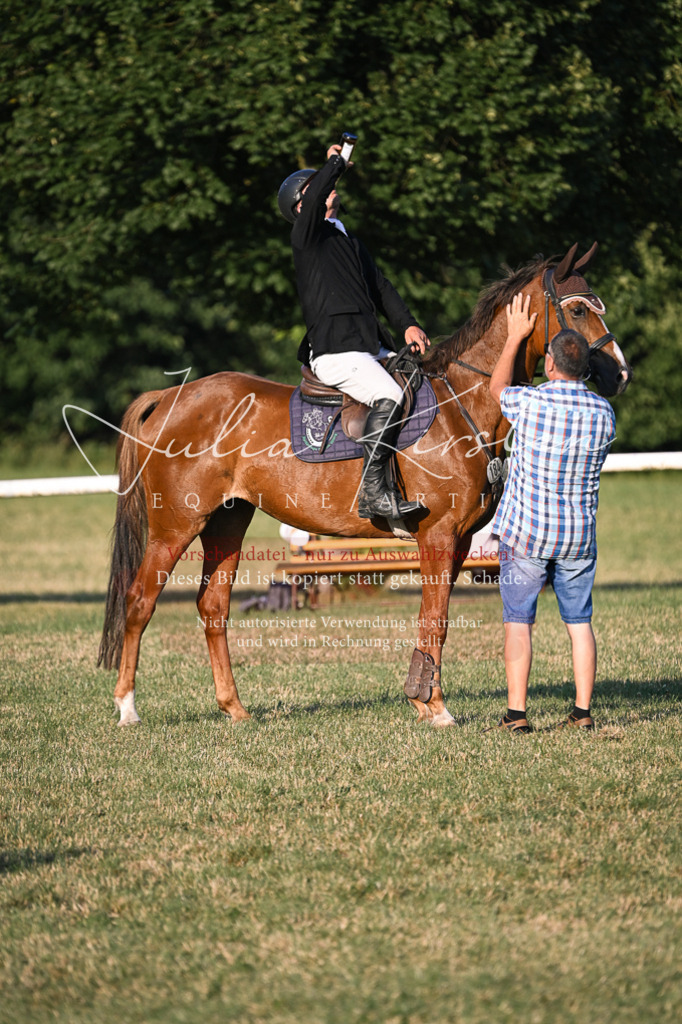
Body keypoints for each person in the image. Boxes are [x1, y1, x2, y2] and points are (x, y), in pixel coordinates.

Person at [277, 142, 430, 521]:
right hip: (335, 351)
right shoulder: (306, 235)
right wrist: (337, 162)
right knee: (390, 395)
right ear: (302, 206)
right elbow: (317, 199)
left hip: (366, 346)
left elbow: (381, 288)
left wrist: (408, 323)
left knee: (420, 382)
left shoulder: (349, 241)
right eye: (316, 189)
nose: (328, 189)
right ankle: (374, 494)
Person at [488, 292, 617, 733]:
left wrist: (514, 338)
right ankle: (582, 714)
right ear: (584, 369)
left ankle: (517, 716)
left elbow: (496, 390)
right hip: (579, 536)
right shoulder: (605, 413)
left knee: (518, 622)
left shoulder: (532, 402)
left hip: (527, 533)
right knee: (580, 623)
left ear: (550, 364)